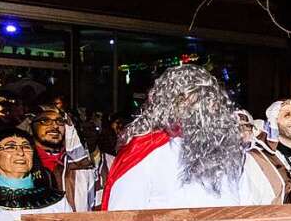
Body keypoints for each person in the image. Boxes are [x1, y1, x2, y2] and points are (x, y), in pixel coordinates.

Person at [101, 65, 265, 211]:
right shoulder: (146, 151)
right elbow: (122, 216)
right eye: (195, 97)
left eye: (211, 98)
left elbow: (245, 205)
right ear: (171, 103)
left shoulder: (229, 152)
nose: (208, 106)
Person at [30, 106, 95, 211]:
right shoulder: (23, 162)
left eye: (60, 121)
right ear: (32, 126)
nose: (55, 126)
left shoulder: (79, 164)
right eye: (46, 121)